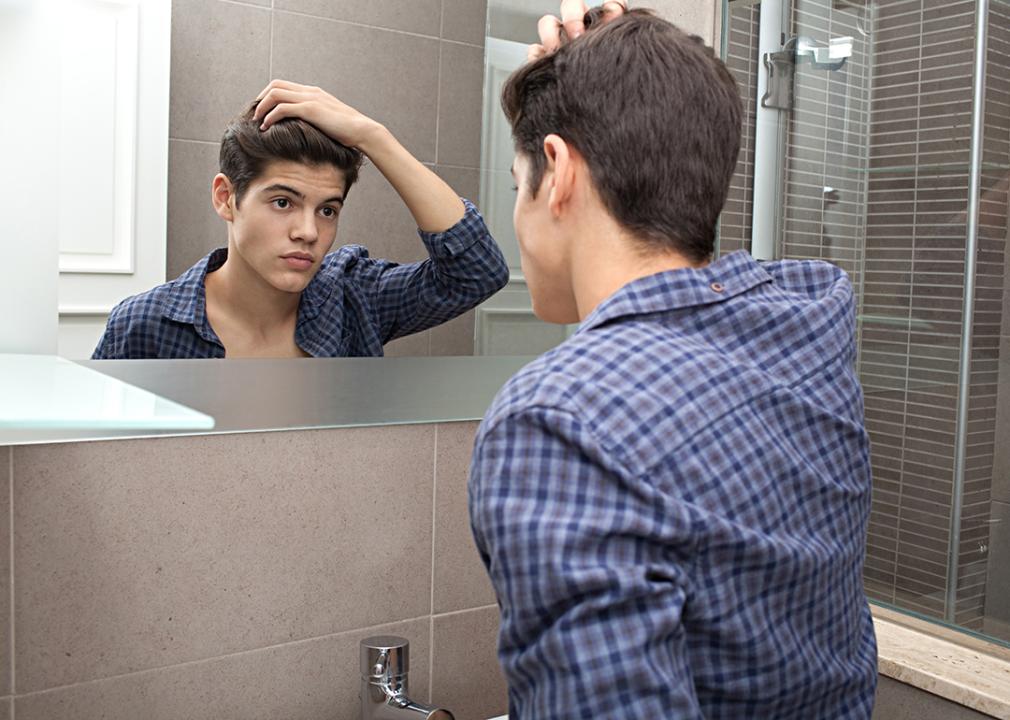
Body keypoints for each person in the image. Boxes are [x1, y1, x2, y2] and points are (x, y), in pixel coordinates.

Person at [467, 3, 878, 718]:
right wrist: (642, 76)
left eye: (515, 184)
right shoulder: (811, 328)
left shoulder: (557, 423)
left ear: (557, 171)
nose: (517, 213)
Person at [92, 81, 508, 359]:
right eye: (282, 203)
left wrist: (372, 136)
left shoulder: (352, 298)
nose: (308, 232)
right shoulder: (143, 325)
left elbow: (478, 273)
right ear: (226, 198)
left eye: (327, 210)